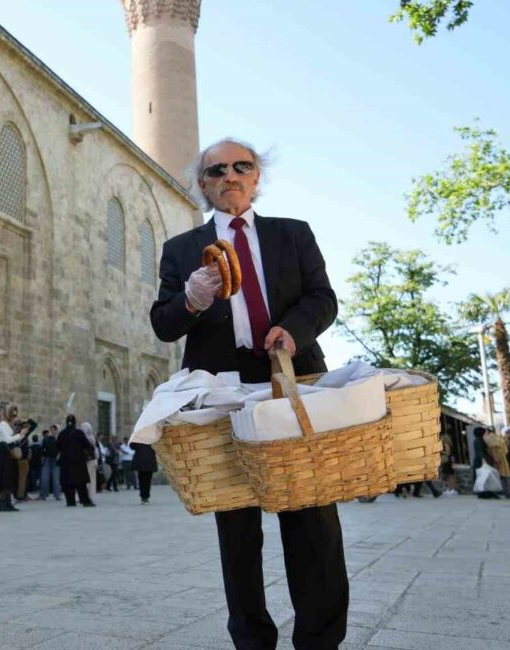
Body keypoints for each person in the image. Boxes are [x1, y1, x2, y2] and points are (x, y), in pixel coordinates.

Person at [149, 137, 346, 649]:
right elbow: (164, 325)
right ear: (203, 183)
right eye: (217, 170)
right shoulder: (182, 250)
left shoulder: (293, 234)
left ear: (257, 178)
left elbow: (323, 298)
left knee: (313, 521)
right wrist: (191, 300)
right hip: (223, 391)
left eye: (242, 167)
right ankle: (252, 641)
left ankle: (320, 641)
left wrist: (293, 331)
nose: (230, 176)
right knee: (237, 530)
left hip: (291, 381)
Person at [0, 405, 31, 512]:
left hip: (9, 454)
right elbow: (7, 439)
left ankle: (7, 502)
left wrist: (23, 434)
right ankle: (2, 503)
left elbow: (13, 440)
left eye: (16, 414)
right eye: (13, 414)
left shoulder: (8, 425)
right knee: (5, 478)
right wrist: (20, 435)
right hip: (5, 453)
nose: (15, 417)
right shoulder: (3, 424)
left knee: (10, 478)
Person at [57, 415, 95, 507]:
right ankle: (85, 501)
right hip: (78, 462)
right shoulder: (79, 433)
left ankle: (70, 501)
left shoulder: (62, 433)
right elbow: (87, 445)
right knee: (81, 483)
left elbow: (58, 446)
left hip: (66, 462)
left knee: (67, 483)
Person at [471, 426, 501, 500]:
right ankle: (484, 492)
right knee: (484, 476)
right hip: (481, 461)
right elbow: (480, 452)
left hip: (481, 460)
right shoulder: (479, 441)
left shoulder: (479, 440)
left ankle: (486, 492)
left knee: (484, 476)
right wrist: (483, 460)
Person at [484, 428, 510, 497]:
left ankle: (501, 491)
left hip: (497, 459)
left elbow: (493, 448)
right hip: (503, 458)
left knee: (498, 476)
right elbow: (506, 450)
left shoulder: (490, 438)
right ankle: (508, 492)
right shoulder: (498, 437)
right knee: (505, 476)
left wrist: (495, 457)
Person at [40, 425, 62, 501]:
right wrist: (42, 458)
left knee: (56, 478)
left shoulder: (59, 439)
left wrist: (59, 456)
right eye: (51, 429)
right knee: (44, 477)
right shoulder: (46, 439)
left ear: (56, 430)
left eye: (53, 430)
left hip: (56, 459)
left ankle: (57, 495)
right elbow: (43, 449)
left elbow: (61, 449)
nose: (52, 431)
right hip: (47, 458)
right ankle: (44, 494)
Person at [132, 440, 157, 505]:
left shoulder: (138, 438)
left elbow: (132, 446)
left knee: (142, 481)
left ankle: (143, 497)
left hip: (141, 462)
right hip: (149, 462)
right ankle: (145, 497)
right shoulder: (152, 438)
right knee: (147, 481)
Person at [439, 432, 459, 496]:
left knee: (450, 476)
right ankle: (450, 489)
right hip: (448, 461)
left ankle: (452, 489)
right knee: (449, 476)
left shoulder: (446, 444)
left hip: (447, 462)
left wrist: (441, 451)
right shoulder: (449, 444)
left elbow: (448, 453)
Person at [82, 422, 99, 500]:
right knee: (92, 479)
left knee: (85, 478)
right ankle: (91, 495)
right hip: (93, 460)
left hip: (87, 460)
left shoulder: (85, 438)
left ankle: (82, 495)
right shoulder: (92, 437)